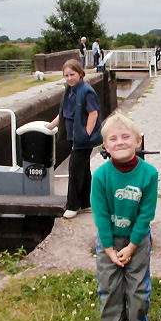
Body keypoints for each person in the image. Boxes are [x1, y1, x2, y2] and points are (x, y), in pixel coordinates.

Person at [91, 112, 158, 321]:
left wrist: (132, 246)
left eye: (126, 137)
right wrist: (109, 249)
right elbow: (100, 215)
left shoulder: (150, 174)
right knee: (109, 286)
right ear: (106, 146)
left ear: (138, 141)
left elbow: (146, 215)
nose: (120, 142)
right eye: (113, 138)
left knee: (137, 287)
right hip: (109, 239)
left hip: (137, 239)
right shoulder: (100, 176)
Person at [46, 59, 102, 219]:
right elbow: (64, 111)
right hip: (73, 136)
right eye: (66, 75)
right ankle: (85, 203)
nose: (70, 78)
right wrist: (52, 125)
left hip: (82, 138)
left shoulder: (86, 91)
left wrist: (86, 134)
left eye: (72, 74)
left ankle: (72, 205)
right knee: (83, 169)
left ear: (80, 73)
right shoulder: (69, 90)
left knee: (75, 169)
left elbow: (93, 113)